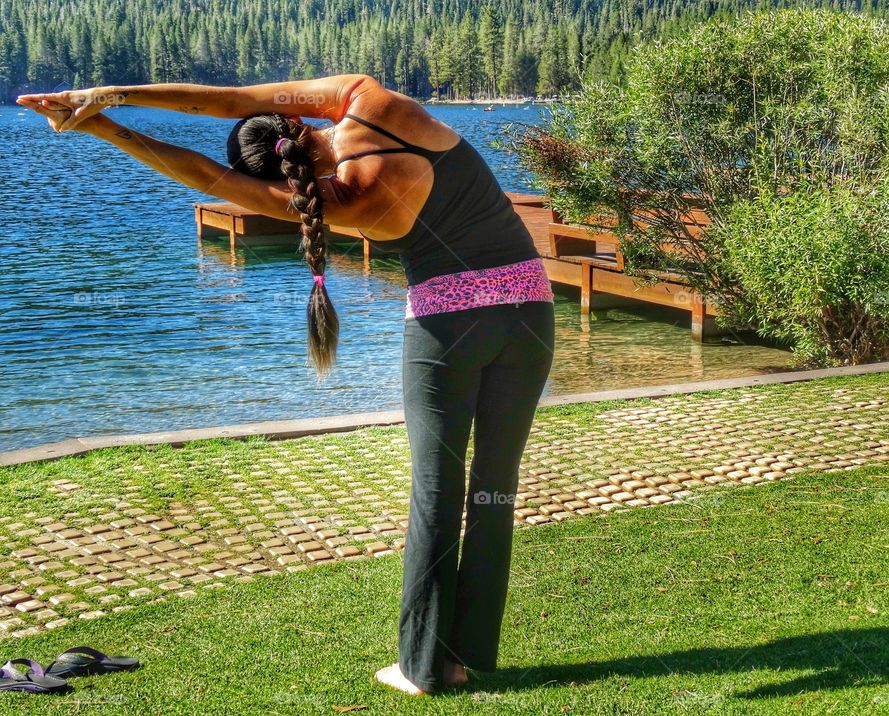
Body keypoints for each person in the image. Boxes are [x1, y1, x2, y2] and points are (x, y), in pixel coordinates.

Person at [18, 74, 555, 695]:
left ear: (277, 178)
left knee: (437, 494)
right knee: (495, 487)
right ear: (295, 122)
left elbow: (200, 174)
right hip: (530, 316)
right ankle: (472, 648)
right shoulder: (372, 104)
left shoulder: (338, 201)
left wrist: (101, 128)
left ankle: (426, 666)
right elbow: (228, 101)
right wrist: (111, 94)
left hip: (446, 327)